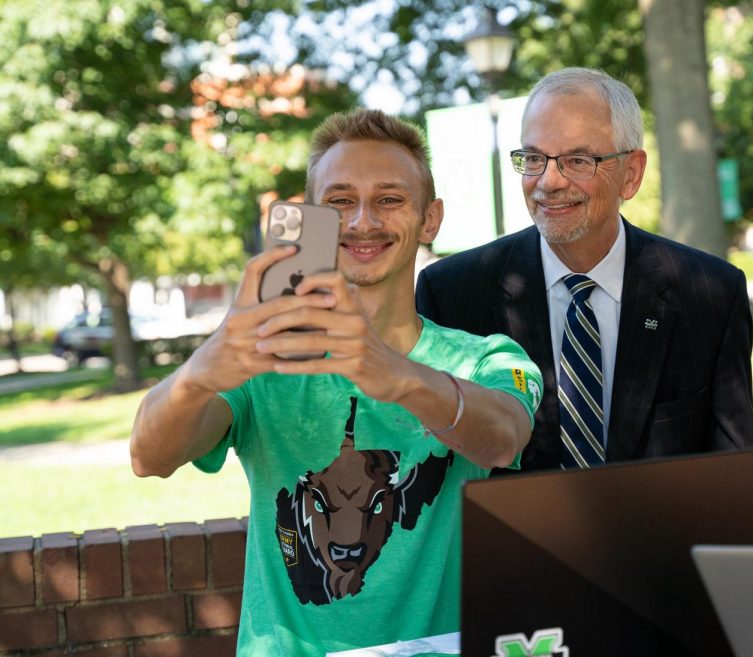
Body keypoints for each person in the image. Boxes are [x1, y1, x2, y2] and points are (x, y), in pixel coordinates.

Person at [130, 108, 542, 656]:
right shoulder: (266, 359)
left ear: (430, 219)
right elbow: (149, 456)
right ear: (312, 220)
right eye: (340, 201)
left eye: (390, 200)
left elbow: (505, 436)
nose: (362, 222)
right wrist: (199, 371)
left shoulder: (486, 357)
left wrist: (397, 374)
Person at [416, 67, 753, 472]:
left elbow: (737, 470)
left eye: (577, 160)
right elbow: (431, 475)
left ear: (630, 174)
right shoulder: (453, 294)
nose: (548, 181)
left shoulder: (708, 294)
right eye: (533, 158)